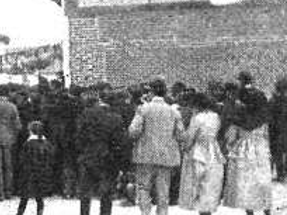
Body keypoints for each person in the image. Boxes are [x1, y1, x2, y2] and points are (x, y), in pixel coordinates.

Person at [129, 78, 184, 215]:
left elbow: (133, 131)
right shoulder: (173, 112)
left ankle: (146, 213)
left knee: (143, 188)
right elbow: (181, 135)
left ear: (151, 92)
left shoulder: (144, 109)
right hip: (166, 156)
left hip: (145, 155)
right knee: (163, 192)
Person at [222, 87, 273, 215]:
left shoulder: (238, 118)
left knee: (247, 182)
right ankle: (267, 209)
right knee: (263, 180)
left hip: (245, 150)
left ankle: (250, 211)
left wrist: (230, 145)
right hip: (261, 149)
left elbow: (231, 138)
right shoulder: (263, 118)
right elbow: (266, 135)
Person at [76, 91, 126, 215]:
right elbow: (120, 141)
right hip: (107, 158)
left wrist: (82, 151)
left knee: (85, 193)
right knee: (106, 194)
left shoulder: (86, 114)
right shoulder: (116, 118)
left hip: (88, 157)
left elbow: (78, 137)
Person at [177, 92, 224, 215]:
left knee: (197, 184)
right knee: (210, 184)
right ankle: (208, 210)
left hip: (199, 151)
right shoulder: (216, 116)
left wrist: (185, 148)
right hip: (214, 149)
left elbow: (190, 137)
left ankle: (202, 211)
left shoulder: (197, 118)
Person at [16, 121, 53, 215]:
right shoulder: (47, 144)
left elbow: (22, 159)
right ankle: (40, 213)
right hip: (43, 173)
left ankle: (20, 213)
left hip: (29, 173)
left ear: (30, 131)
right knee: (39, 198)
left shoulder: (28, 144)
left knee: (24, 197)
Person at [269, 77, 287, 182]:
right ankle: (282, 173)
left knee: (277, 152)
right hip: (280, 130)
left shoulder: (274, 100)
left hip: (277, 130)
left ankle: (281, 174)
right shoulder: (276, 100)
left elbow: (270, 116)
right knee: (279, 152)